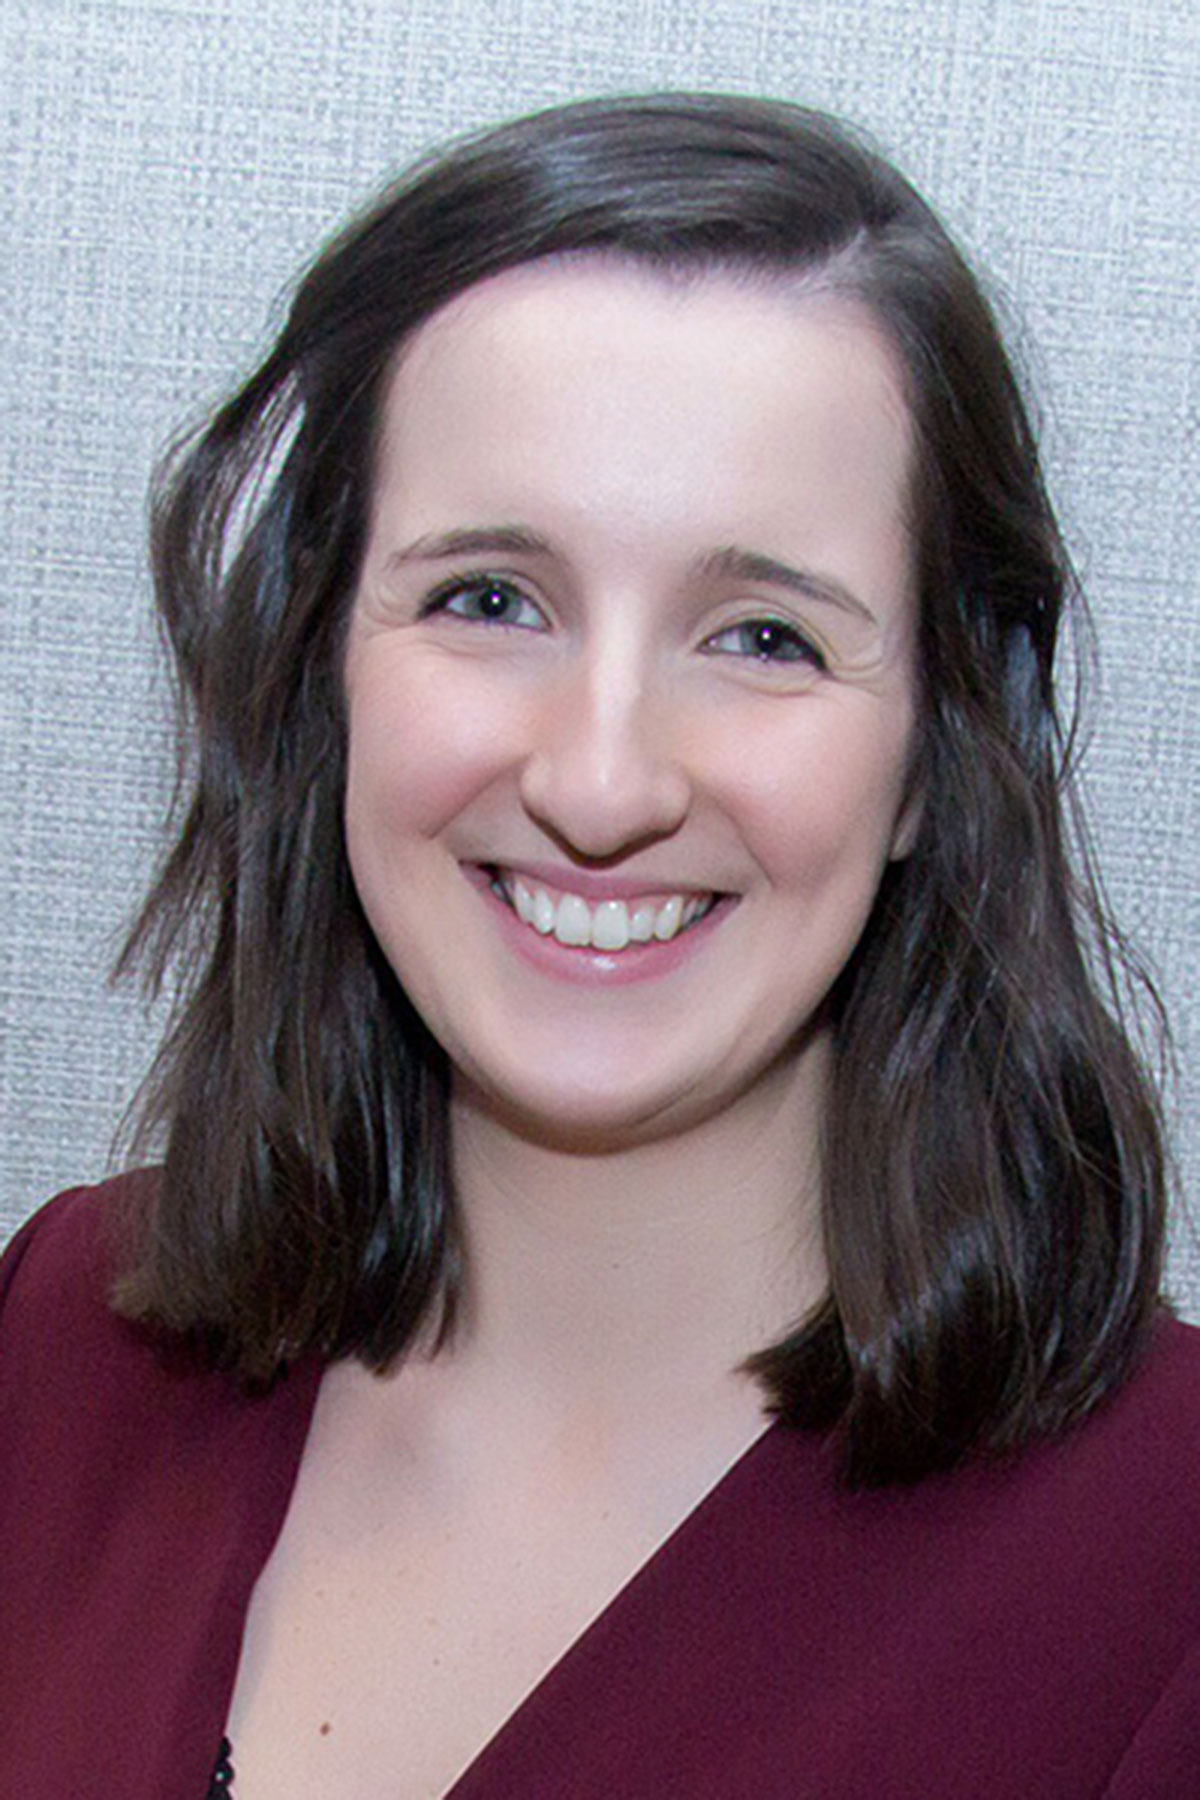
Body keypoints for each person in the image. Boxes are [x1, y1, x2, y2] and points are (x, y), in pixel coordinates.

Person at [1, 92, 1197, 1799]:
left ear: (936, 749)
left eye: (764, 636)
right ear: (328, 670)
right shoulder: (59, 1344)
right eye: (490, 598)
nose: (601, 779)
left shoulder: (1162, 1580)